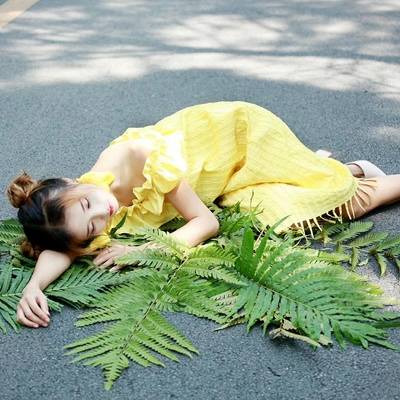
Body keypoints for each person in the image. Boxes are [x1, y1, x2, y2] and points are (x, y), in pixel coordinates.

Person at [5, 100, 398, 330]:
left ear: (72, 181)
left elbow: (207, 223)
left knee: (333, 206)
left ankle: (349, 175)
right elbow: (63, 249)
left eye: (87, 204)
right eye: (93, 227)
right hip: (219, 182)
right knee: (275, 210)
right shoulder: (78, 218)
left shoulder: (137, 158)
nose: (103, 213)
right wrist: (34, 287)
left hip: (240, 139)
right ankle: (340, 168)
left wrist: (144, 251)